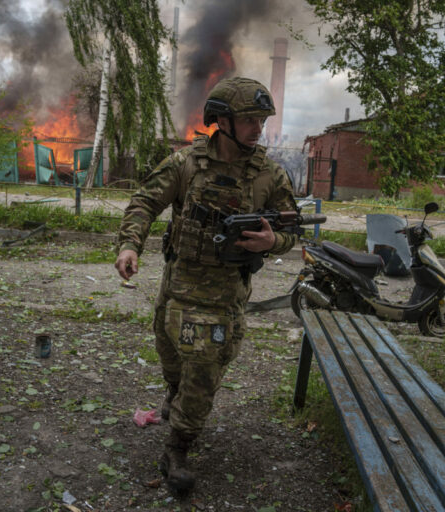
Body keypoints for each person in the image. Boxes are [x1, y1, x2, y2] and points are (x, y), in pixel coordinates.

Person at [114, 77, 297, 492]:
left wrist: (274, 241)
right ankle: (174, 397)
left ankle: (177, 448)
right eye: (249, 119)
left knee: (203, 372)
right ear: (222, 121)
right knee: (171, 358)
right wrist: (129, 245)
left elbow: (292, 228)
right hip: (177, 288)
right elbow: (145, 201)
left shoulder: (269, 175)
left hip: (224, 297)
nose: (258, 128)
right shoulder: (187, 164)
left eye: (262, 120)